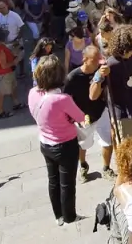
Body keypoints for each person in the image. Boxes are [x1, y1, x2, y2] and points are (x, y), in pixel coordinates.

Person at [29, 55, 85, 226]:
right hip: (66, 145)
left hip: (45, 143)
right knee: (67, 184)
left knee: (53, 181)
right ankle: (70, 216)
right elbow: (81, 117)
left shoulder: (33, 94)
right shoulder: (62, 99)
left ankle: (58, 216)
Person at [64, 45, 116, 182]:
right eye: (94, 60)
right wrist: (74, 117)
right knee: (83, 144)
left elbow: (99, 92)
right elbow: (66, 100)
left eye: (99, 58)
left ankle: (106, 167)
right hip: (83, 117)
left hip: (100, 110)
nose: (97, 62)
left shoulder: (100, 71)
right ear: (85, 59)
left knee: (107, 140)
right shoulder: (72, 77)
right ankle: (83, 165)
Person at [0, 29, 24, 119]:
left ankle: (16, 103)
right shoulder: (0, 51)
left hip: (3, 72)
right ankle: (0, 112)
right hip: (6, 73)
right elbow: (4, 65)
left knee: (13, 86)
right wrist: (16, 60)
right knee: (2, 92)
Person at [0, 1, 26, 78]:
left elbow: (22, 27)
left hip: (15, 40)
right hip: (5, 42)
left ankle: (22, 72)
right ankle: (11, 71)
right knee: (9, 58)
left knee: (20, 56)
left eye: (4, 7)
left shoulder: (14, 16)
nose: (2, 10)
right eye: (0, 8)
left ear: (7, 6)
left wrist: (18, 38)